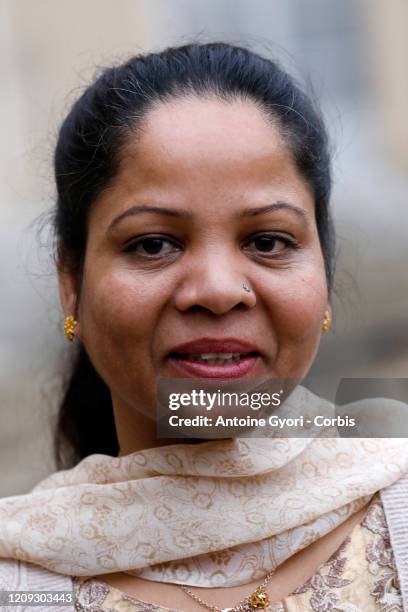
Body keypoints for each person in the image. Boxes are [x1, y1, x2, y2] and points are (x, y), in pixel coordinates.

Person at [0, 42, 407, 612]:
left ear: (324, 276)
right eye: (153, 244)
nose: (217, 290)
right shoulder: (21, 584)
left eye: (268, 242)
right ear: (71, 281)